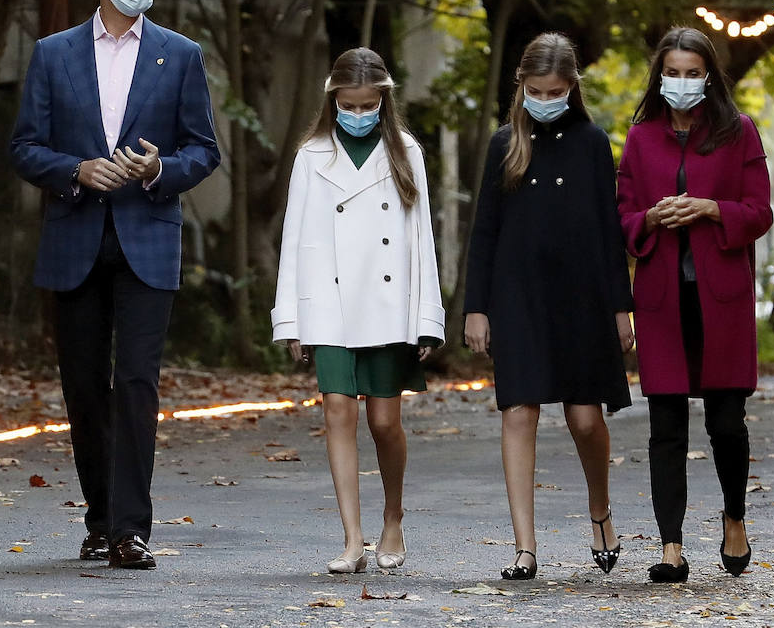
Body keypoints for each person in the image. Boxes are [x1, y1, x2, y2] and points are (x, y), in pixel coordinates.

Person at [10, 0, 220, 569]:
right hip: (74, 238)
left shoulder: (180, 54)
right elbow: (23, 147)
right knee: (82, 385)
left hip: (147, 239)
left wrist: (160, 170)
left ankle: (132, 529)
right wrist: (75, 170)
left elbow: (204, 150)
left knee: (136, 382)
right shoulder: (53, 54)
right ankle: (99, 518)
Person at [463, 32, 634, 581]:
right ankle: (525, 549)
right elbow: (484, 229)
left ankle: (600, 511)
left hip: (581, 297)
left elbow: (610, 233)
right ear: (521, 87)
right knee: (519, 412)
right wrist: (476, 308)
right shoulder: (503, 143)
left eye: (556, 90)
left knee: (585, 419)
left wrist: (620, 309)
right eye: (536, 90)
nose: (545, 98)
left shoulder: (592, 142)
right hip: (518, 295)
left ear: (571, 88)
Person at [271, 48, 444, 574]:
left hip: (389, 304)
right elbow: (294, 238)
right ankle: (353, 539)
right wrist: (291, 320)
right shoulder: (311, 155)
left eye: (370, 104)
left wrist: (426, 318)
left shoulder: (406, 151)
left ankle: (393, 518)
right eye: (350, 104)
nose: (360, 113)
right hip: (328, 301)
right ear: (334, 100)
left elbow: (421, 239)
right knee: (337, 412)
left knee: (385, 421)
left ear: (384, 101)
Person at [616, 27, 772, 584]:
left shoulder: (739, 133)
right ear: (660, 76)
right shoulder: (640, 138)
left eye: (692, 72)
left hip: (721, 298)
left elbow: (759, 212)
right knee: (666, 426)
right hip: (662, 300)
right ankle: (671, 546)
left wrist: (710, 208)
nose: (682, 82)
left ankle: (734, 517)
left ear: (710, 76)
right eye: (673, 72)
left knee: (727, 424)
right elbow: (624, 215)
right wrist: (652, 219)